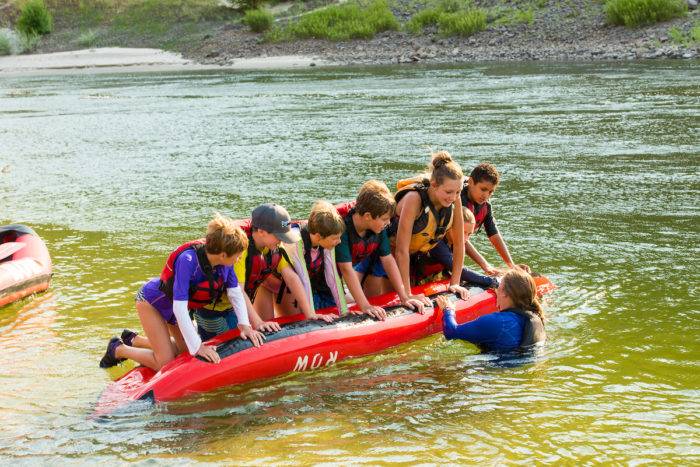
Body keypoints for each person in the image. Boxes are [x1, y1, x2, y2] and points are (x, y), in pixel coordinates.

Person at [99, 214, 265, 371]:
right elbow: (179, 307)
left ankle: (135, 340)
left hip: (177, 309)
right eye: (237, 256)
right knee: (166, 362)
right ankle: (118, 349)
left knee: (185, 352)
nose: (238, 260)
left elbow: (235, 294)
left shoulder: (225, 267)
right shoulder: (188, 260)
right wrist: (198, 346)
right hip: (152, 303)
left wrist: (245, 326)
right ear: (223, 254)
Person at [335, 180, 429, 320]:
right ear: (367, 216)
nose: (388, 223)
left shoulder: (378, 228)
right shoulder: (342, 225)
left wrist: (404, 296)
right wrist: (365, 306)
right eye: (385, 219)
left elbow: (388, 259)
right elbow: (346, 269)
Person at [234, 203, 334, 323]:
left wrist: (310, 314)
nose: (282, 241)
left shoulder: (275, 248)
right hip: (229, 302)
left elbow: (291, 277)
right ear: (261, 231)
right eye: (279, 236)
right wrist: (258, 322)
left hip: (245, 297)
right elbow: (237, 290)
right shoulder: (240, 251)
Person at [391, 151, 470, 301]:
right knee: (383, 294)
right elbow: (401, 250)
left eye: (458, 192)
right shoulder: (414, 199)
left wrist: (455, 283)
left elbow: (460, 244)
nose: (453, 197)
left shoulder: (454, 199)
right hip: (388, 256)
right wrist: (407, 295)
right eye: (449, 192)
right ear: (434, 185)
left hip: (415, 257)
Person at [439, 269, 545, 352]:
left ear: (504, 293)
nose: (496, 289)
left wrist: (448, 310)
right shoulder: (534, 317)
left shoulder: (497, 321)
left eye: (499, 286)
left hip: (494, 372)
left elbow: (451, 332)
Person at [280, 201, 348, 315]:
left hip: (306, 283)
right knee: (303, 313)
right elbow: (303, 278)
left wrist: (344, 312)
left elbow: (332, 276)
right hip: (282, 286)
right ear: (319, 236)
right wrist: (312, 315)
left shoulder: (326, 242)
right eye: (335, 238)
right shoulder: (297, 242)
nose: (339, 241)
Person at [461, 163, 529, 275]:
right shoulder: (458, 201)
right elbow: (460, 239)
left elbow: (493, 234)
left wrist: (511, 265)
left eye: (491, 192)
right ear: (471, 182)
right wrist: (486, 265)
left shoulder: (485, 206)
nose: (486, 195)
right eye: (483, 189)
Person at [422, 207, 499, 289]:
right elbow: (459, 270)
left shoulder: (451, 240)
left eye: (469, 234)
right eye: (463, 232)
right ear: (450, 227)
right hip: (418, 280)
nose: (465, 238)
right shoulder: (437, 243)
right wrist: (491, 281)